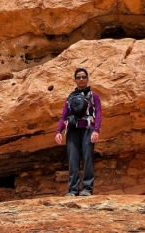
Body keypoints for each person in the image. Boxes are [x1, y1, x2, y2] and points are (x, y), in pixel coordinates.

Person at [54, 67, 102, 196]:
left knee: (87, 158)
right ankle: (73, 190)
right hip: (72, 130)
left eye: (83, 77)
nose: (81, 80)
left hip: (88, 129)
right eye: (78, 77)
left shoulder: (94, 96)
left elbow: (98, 114)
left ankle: (87, 189)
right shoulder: (70, 98)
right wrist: (58, 131)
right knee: (73, 159)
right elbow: (63, 116)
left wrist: (96, 130)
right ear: (75, 80)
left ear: (87, 79)